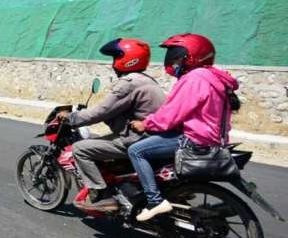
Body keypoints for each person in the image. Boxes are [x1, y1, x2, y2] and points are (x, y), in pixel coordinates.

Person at [128, 33, 238, 221]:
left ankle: (155, 201)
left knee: (136, 150)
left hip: (195, 139)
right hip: (213, 139)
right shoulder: (214, 77)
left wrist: (145, 124)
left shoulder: (194, 78)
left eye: (177, 55)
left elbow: (170, 115)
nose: (173, 60)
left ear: (192, 56)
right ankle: (172, 191)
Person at [57, 38, 166, 211]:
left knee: (80, 148)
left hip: (136, 139)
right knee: (97, 140)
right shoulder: (147, 80)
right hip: (153, 137)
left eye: (116, 57)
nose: (113, 63)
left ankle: (102, 195)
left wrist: (71, 118)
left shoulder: (128, 84)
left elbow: (101, 112)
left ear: (128, 59)